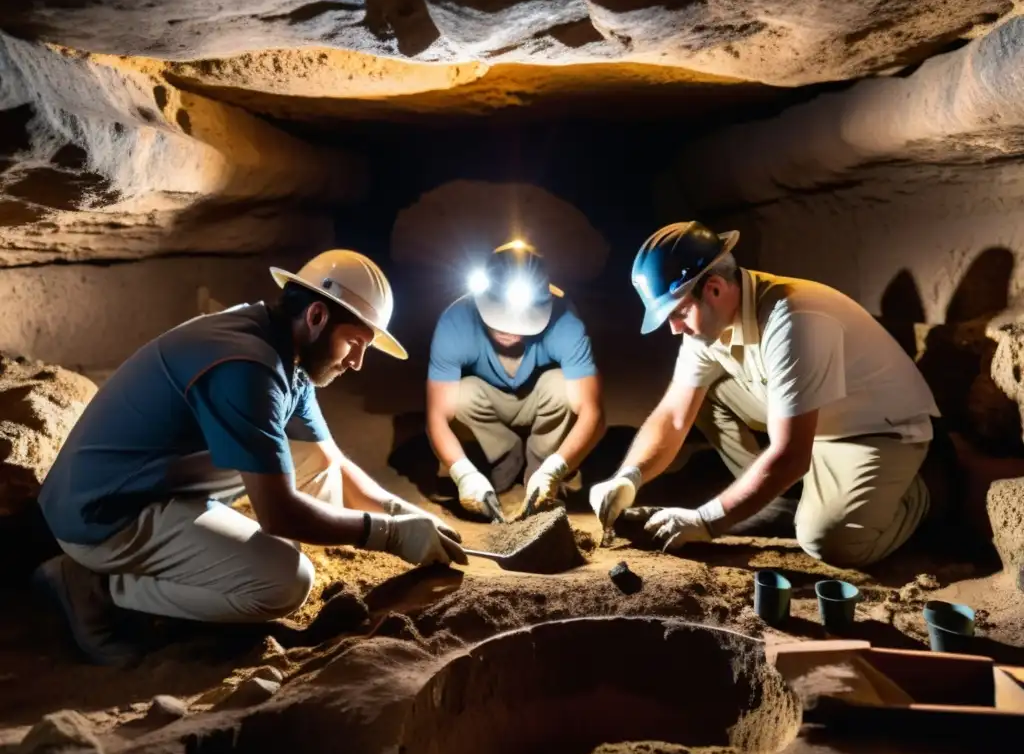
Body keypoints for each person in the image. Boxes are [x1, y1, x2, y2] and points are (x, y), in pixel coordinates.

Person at [34, 249, 466, 666]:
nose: (357, 363)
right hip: (103, 516)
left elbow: (328, 460)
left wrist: (403, 514)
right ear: (317, 317)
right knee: (285, 584)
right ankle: (96, 587)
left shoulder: (281, 346)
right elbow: (280, 514)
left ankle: (229, 561)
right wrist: (389, 535)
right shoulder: (248, 367)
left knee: (313, 464)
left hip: (147, 480)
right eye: (355, 343)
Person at [590, 221, 941, 568]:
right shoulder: (708, 326)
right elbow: (673, 415)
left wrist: (708, 521)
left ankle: (915, 494)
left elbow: (791, 454)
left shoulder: (792, 319)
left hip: (872, 433)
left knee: (829, 541)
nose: (674, 328)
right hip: (812, 422)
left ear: (713, 288)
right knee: (707, 395)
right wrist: (629, 476)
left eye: (679, 312)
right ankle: (780, 494)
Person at [426, 239, 605, 519]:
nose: (509, 330)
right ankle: (505, 460)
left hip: (541, 402)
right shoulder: (457, 321)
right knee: (461, 393)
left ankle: (539, 473)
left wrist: (555, 469)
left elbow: (593, 412)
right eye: (499, 319)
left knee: (561, 385)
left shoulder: (565, 321)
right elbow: (436, 416)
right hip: (488, 405)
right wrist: (463, 474)